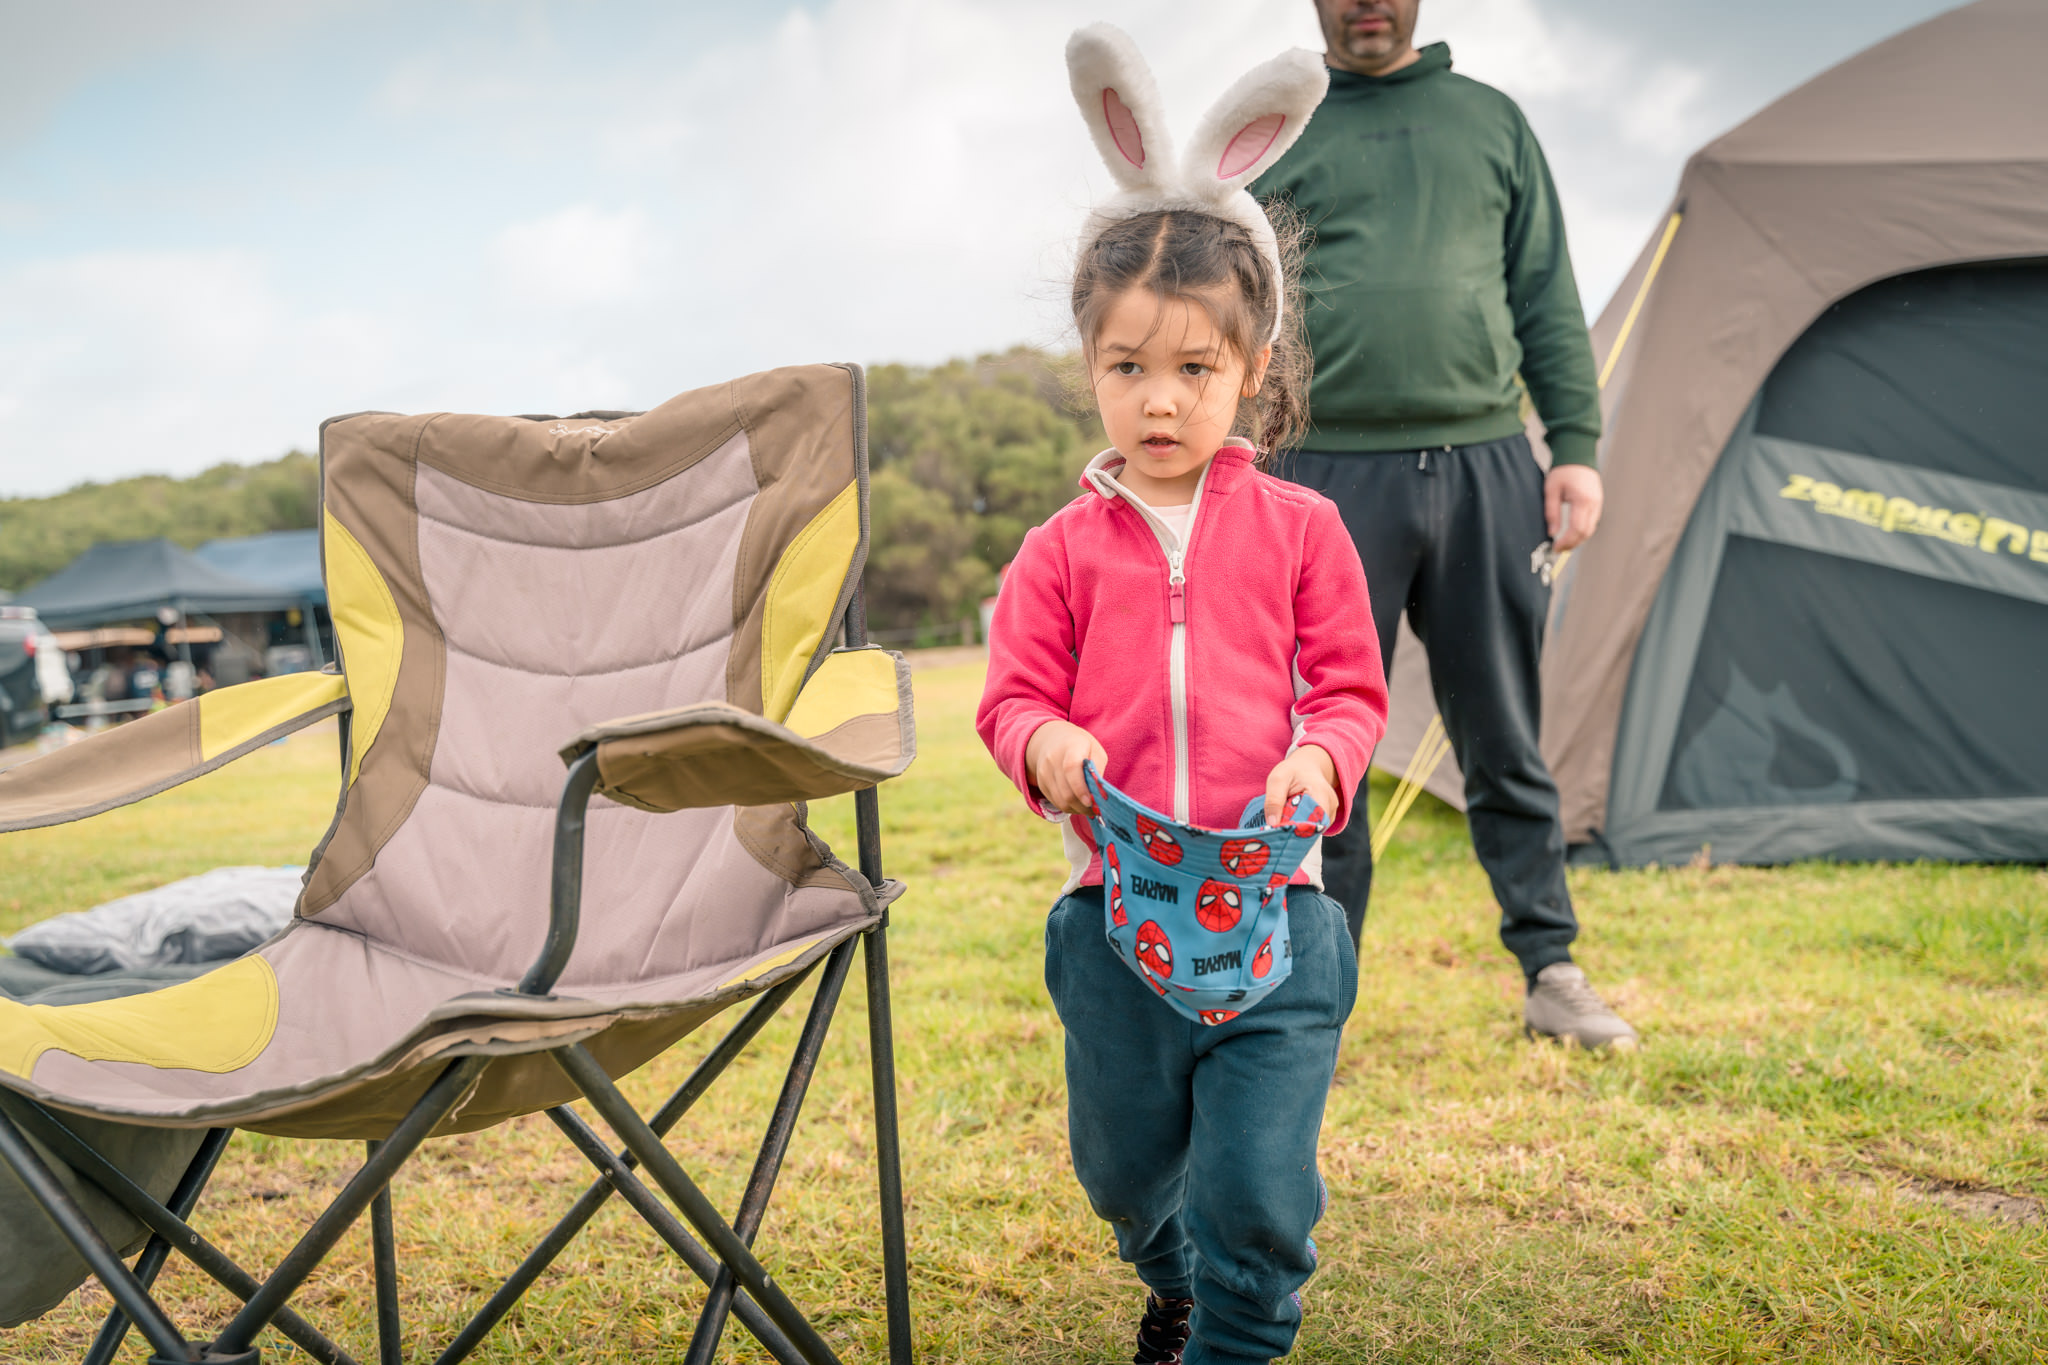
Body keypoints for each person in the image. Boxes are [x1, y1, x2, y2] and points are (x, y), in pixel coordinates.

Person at [977, 27, 1387, 1365]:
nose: (1159, 402)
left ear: (1251, 369)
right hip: (1112, 920)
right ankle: (1172, 1274)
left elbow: (1348, 691)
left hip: (1275, 910)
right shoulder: (1055, 551)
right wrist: (1042, 741)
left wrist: (1323, 759)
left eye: (1194, 369)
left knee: (1256, 1192)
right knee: (1122, 1171)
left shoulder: (1305, 531)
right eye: (1128, 368)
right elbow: (1009, 698)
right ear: (1090, 365)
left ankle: (1237, 1325)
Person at [1252, 0, 1639, 1049]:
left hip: (1487, 466)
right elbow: (1236, 310)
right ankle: (1309, 1000)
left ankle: (1551, 970)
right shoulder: (1276, 130)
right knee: (1319, 746)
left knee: (1504, 734)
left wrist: (1574, 446)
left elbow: (1544, 292)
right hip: (1321, 475)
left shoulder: (1491, 121)